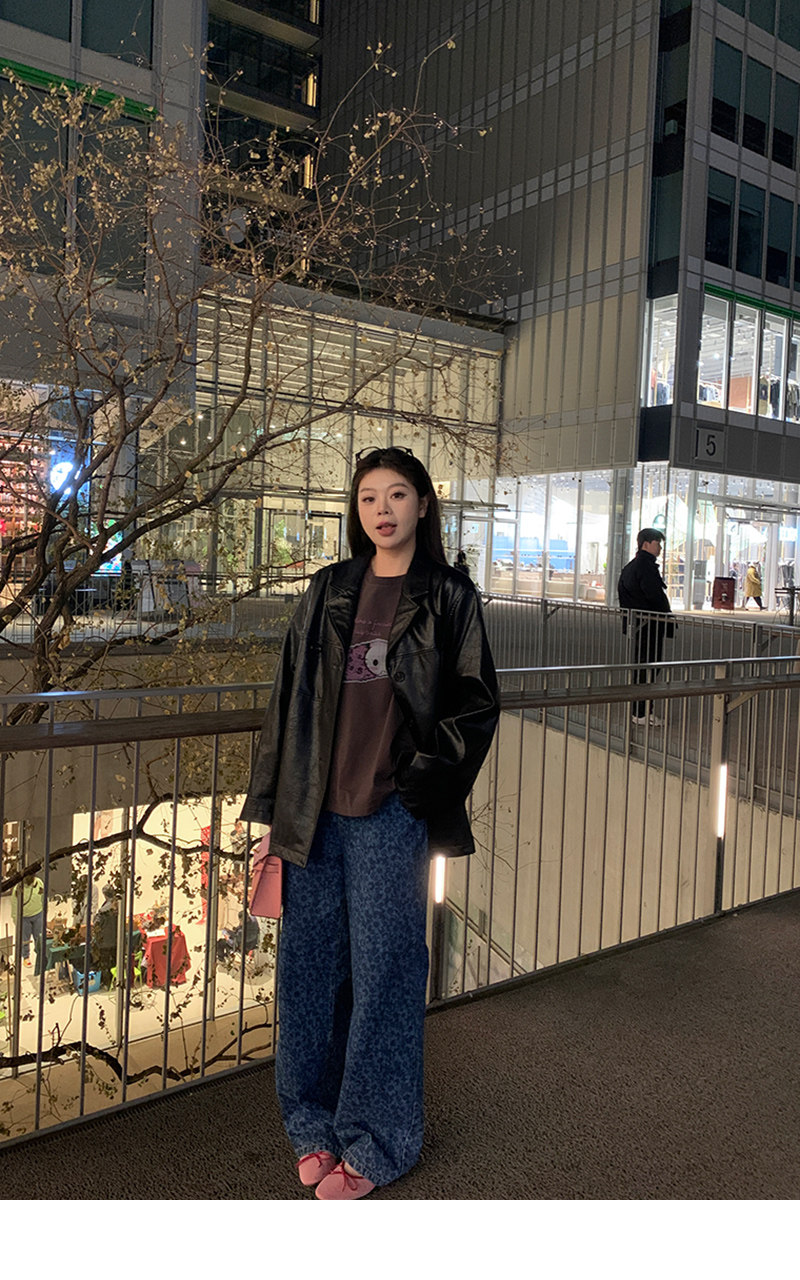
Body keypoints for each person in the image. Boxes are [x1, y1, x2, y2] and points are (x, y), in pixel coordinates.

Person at [241, 445, 499, 1200]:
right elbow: (289, 700)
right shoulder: (329, 588)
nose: (382, 510)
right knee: (309, 972)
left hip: (391, 814)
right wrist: (273, 811)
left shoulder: (449, 595)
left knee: (386, 974)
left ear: (423, 504)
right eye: (367, 498)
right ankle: (312, 1126)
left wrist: (417, 781)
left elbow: (477, 703)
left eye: (396, 495)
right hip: (314, 812)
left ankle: (378, 1140)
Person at [617, 528, 674, 724]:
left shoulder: (631, 566)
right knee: (648, 667)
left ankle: (640, 711)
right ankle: (641, 713)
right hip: (648, 625)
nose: (660, 548)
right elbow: (654, 596)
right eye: (657, 544)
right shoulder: (645, 567)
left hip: (638, 625)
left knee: (642, 667)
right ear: (646, 544)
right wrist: (665, 616)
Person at [11, 873, 44, 973]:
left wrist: (45, 910)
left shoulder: (39, 883)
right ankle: (26, 956)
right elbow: (14, 905)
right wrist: (16, 919)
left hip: (38, 913)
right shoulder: (18, 888)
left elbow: (43, 897)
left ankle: (40, 954)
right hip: (24, 917)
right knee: (25, 938)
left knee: (39, 936)